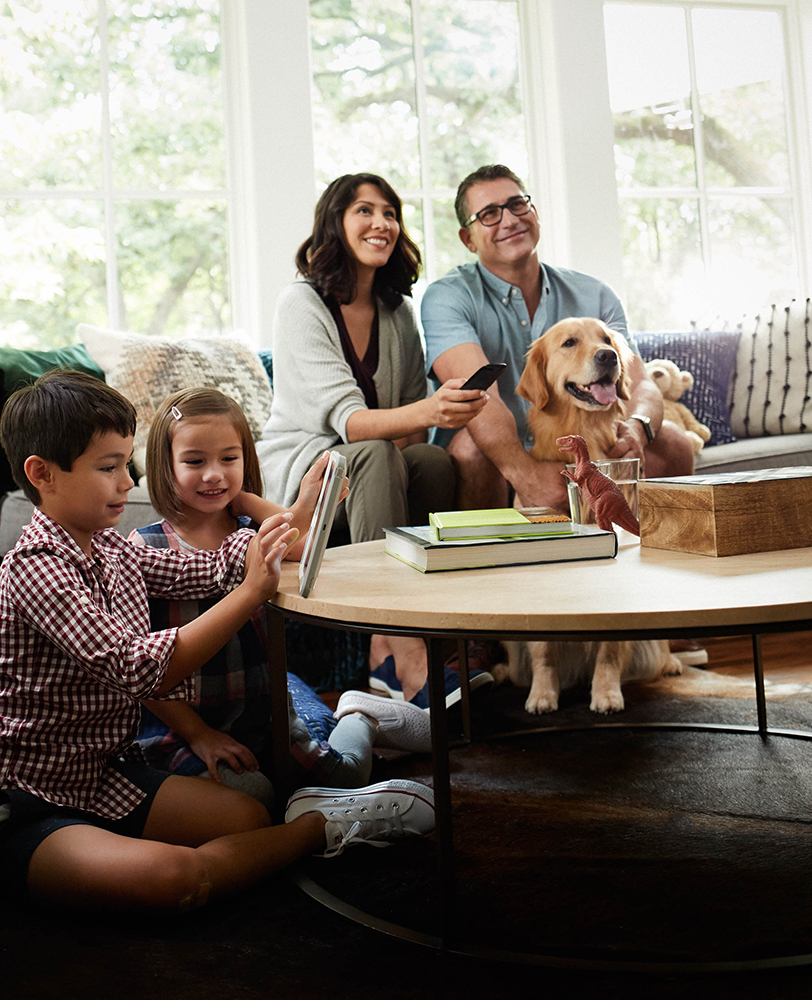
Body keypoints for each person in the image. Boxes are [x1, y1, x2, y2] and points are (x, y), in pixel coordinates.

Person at [0, 370, 435, 912]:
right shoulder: (36, 570)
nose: (127, 482)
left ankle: (317, 809)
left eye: (125, 464)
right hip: (22, 802)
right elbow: (139, 668)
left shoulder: (110, 550)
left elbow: (202, 569)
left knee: (247, 816)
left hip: (104, 774)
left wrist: (278, 532)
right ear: (43, 474)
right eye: (108, 468)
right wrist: (251, 592)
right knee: (178, 880)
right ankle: (329, 825)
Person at [130, 386, 432, 814]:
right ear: (165, 466)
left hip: (264, 712)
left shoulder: (248, 527)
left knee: (345, 776)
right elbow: (137, 668)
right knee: (254, 798)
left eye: (228, 459)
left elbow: (295, 544)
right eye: (195, 461)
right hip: (185, 724)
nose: (214, 474)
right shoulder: (146, 548)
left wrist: (253, 500)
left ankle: (358, 714)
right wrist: (200, 735)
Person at [258, 172, 495, 705]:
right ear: (335, 223)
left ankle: (424, 630)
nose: (381, 223)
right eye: (364, 211)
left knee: (433, 460)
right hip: (305, 476)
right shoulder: (300, 303)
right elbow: (349, 422)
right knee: (371, 453)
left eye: (389, 212)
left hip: (370, 467)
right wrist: (432, 406)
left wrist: (440, 415)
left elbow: (410, 427)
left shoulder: (397, 311)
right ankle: (393, 649)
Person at [420, 163, 695, 514]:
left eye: (518, 205)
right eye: (489, 214)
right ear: (467, 239)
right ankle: (490, 563)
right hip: (499, 455)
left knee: (673, 440)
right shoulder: (447, 297)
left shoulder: (593, 294)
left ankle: (657, 556)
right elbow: (477, 398)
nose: (509, 220)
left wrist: (638, 428)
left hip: (583, 442)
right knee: (470, 448)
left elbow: (642, 385)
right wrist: (526, 474)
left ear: (533, 212)